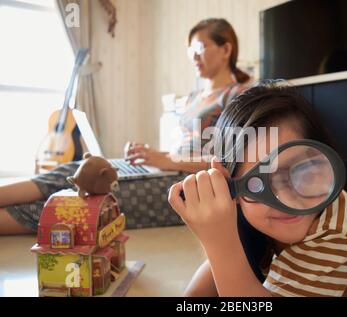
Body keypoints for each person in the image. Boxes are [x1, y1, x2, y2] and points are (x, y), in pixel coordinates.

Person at [168, 83, 347, 297]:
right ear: (234, 193)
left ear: (326, 160)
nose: (283, 198)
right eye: (257, 183)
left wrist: (220, 244)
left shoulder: (333, 238)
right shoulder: (249, 211)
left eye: (301, 171)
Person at [0, 18, 250, 235]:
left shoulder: (239, 95)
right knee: (79, 169)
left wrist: (167, 161)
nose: (193, 56)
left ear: (226, 49)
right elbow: (184, 149)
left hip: (195, 184)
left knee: (91, 197)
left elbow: (231, 163)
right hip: (169, 168)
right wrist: (152, 155)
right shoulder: (195, 96)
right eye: (190, 50)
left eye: (200, 47)